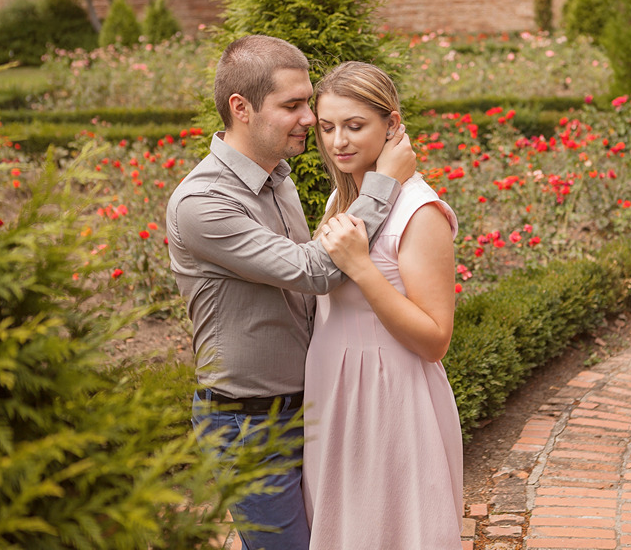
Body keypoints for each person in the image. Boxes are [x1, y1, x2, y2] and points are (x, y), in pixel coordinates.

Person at [165, 36, 415, 550]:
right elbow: (320, 269)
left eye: (308, 102)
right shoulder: (201, 203)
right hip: (248, 424)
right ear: (242, 108)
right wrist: (383, 185)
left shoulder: (279, 178)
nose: (310, 118)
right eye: (293, 105)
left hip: (312, 406)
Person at [302, 61, 463, 550]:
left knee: (393, 532)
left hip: (390, 396)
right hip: (332, 392)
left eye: (355, 126)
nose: (338, 142)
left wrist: (363, 268)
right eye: (327, 127)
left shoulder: (419, 211)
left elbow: (436, 339)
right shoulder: (341, 198)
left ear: (392, 125)